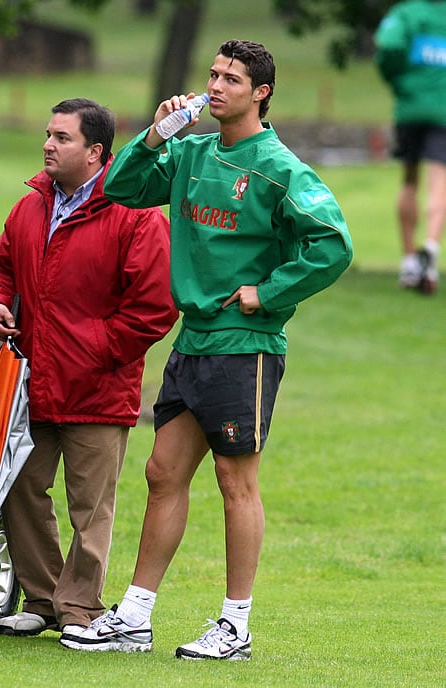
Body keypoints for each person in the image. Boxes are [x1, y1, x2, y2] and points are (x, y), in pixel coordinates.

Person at [60, 40, 353, 660]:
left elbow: (332, 244)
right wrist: (154, 135)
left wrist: (266, 292)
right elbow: (121, 188)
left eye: (231, 78)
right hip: (192, 341)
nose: (216, 86)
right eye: (213, 75)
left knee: (233, 479)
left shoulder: (280, 169)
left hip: (244, 346)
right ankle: (135, 617)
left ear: (261, 92)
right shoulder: (190, 152)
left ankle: (235, 627)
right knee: (163, 474)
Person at [0, 98, 177, 640]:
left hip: (98, 388)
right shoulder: (29, 208)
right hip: (33, 385)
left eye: (61, 138)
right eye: (47, 134)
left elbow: (155, 308)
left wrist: (93, 350)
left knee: (91, 508)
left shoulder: (136, 214)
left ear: (95, 153)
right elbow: (1, 267)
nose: (47, 144)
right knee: (20, 489)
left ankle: (79, 611)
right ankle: (42, 601)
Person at [374, 0, 446, 294]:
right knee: (439, 179)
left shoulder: (404, 13)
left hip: (410, 107)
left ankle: (408, 261)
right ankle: (430, 246)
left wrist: (398, 80)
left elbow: (388, 46)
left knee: (410, 179)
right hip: (443, 109)